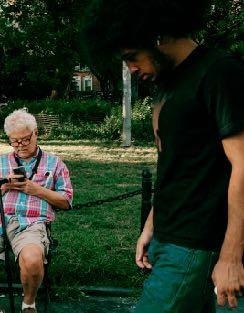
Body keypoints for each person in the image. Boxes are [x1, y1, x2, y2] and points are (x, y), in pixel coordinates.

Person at [83, 1, 244, 312]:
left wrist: (231, 256)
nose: (131, 68)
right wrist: (150, 227)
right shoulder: (168, 82)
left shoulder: (219, 73)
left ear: (157, 36)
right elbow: (174, 166)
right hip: (169, 239)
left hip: (195, 243)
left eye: (132, 57)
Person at [0, 109, 73, 313]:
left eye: (25, 140)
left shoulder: (55, 164)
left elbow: (66, 201)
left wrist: (37, 190)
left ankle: (28, 304)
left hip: (32, 223)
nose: (19, 146)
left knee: (33, 259)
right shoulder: (0, 162)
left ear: (36, 133)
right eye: (14, 141)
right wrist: (3, 187)